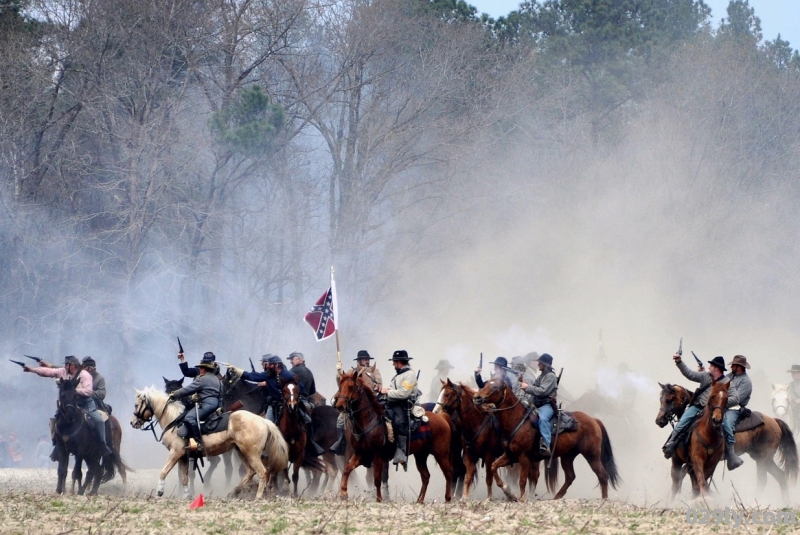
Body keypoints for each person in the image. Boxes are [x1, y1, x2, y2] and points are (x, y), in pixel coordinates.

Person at [24, 355, 112, 457]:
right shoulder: (64, 371)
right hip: (71, 403)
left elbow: (88, 392)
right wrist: (31, 369)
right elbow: (49, 372)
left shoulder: (85, 375)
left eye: (67, 364)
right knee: (55, 419)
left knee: (98, 420)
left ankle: (102, 444)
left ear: (73, 365)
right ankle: (57, 444)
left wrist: (73, 391)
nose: (65, 367)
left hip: (85, 402)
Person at [662, 354, 733, 464]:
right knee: (682, 423)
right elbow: (689, 374)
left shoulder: (727, 382)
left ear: (716, 368)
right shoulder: (705, 376)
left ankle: (731, 455)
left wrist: (721, 404)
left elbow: (734, 397)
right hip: (698, 406)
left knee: (728, 429)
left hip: (714, 410)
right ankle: (671, 444)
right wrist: (679, 362)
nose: (709, 367)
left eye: (711, 366)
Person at [330, 350, 382, 455]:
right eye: (364, 359)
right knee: (340, 420)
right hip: (354, 402)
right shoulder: (351, 371)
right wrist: (338, 371)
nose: (367, 360)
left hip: (370, 400)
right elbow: (341, 383)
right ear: (359, 360)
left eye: (368, 359)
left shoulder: (374, 371)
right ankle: (341, 442)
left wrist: (377, 385)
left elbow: (379, 382)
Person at [168, 353, 220, 452]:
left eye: (201, 367)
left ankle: (198, 442)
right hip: (213, 402)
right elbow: (187, 372)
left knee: (189, 417)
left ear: (205, 368)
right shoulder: (216, 378)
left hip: (205, 403)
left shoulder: (203, 378)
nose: (199, 369)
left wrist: (174, 394)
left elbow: (188, 389)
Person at [380, 350, 419, 467]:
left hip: (403, 405)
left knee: (398, 423)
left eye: (394, 362)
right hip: (393, 403)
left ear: (399, 362)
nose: (393, 364)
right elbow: (393, 390)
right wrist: (382, 391)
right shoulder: (399, 375)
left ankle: (401, 452)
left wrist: (387, 392)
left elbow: (404, 394)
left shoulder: (409, 375)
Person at [520, 354, 558, 455]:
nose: (538, 364)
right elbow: (534, 387)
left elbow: (542, 391)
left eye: (540, 363)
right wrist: (524, 384)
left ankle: (546, 444)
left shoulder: (551, 376)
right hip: (537, 405)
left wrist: (527, 387)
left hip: (547, 405)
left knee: (543, 418)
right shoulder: (541, 376)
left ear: (546, 364)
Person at [720, 355, 751, 470]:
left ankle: (731, 455)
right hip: (720, 406)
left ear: (739, 367)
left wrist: (719, 404)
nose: (731, 366)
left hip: (734, 408)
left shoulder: (746, 381)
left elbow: (737, 399)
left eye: (733, 365)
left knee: (726, 424)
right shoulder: (729, 376)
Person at [787, 365, 800, 430]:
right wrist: (795, 400)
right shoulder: (791, 384)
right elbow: (791, 393)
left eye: (794, 373)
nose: (793, 375)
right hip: (794, 406)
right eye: (792, 374)